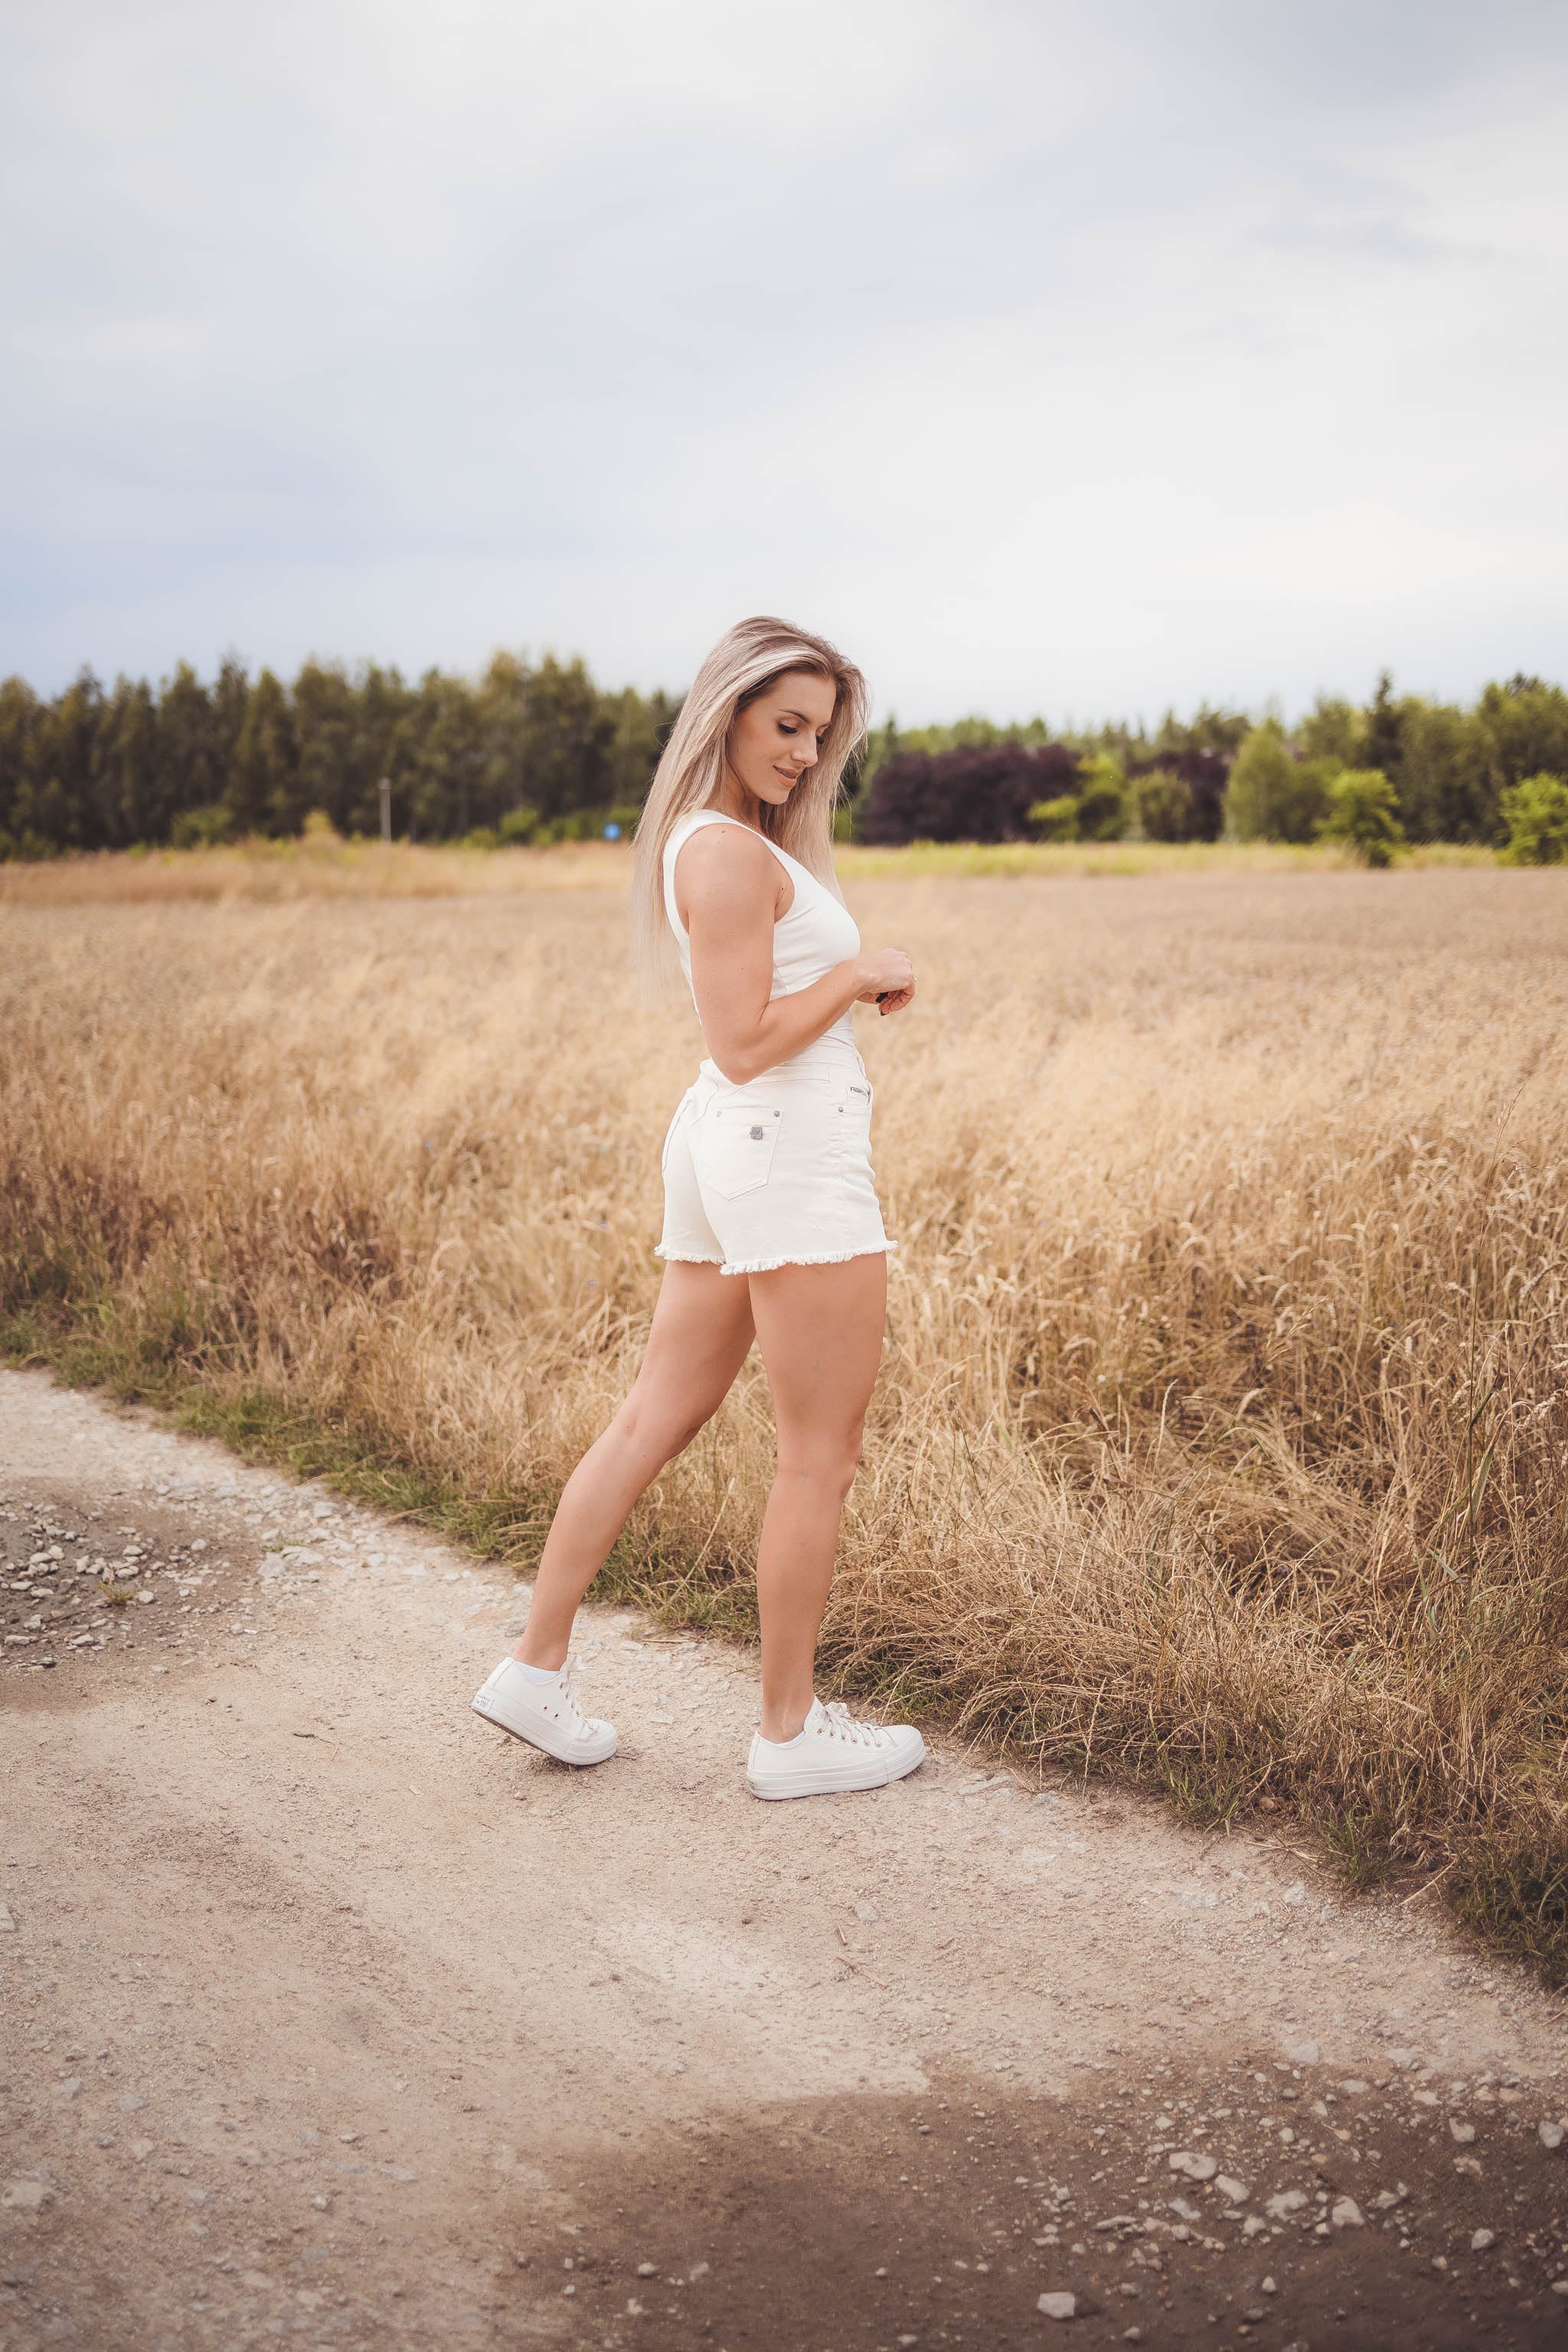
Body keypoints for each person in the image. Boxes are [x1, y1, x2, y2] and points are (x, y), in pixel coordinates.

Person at [471, 616, 926, 1800]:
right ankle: (788, 1734)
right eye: (788, 725)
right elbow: (743, 1043)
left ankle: (534, 1668)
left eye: (821, 736)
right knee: (819, 1457)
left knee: (652, 1419)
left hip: (737, 1148)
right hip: (785, 1150)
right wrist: (859, 972)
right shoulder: (723, 852)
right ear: (727, 713)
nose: (805, 754)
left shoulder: (721, 840)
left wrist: (839, 972)